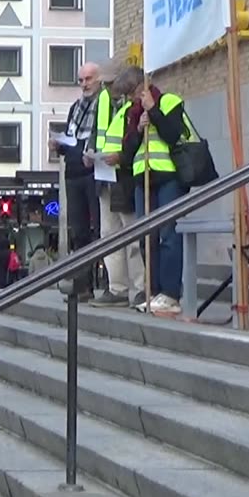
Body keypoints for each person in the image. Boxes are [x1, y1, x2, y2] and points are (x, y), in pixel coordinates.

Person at [114, 66, 190, 316]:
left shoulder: (169, 102)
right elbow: (126, 154)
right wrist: (137, 129)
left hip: (168, 177)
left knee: (168, 236)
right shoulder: (132, 114)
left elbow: (173, 134)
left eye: (133, 93)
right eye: (128, 96)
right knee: (147, 238)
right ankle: (154, 291)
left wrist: (154, 111)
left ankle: (170, 293)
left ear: (143, 86)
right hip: (142, 178)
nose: (131, 99)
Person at [49, 61, 112, 298]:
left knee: (102, 229)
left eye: (88, 79)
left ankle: (108, 283)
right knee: (79, 231)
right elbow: (72, 139)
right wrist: (58, 145)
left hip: (95, 171)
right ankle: (83, 284)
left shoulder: (104, 103)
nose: (84, 84)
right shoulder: (76, 107)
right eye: (81, 80)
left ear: (99, 79)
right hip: (73, 173)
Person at [92, 67, 147, 308]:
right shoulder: (107, 104)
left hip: (124, 176)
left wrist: (120, 157)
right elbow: (101, 134)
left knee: (132, 235)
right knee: (110, 235)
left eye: (109, 83)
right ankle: (118, 288)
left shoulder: (131, 108)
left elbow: (131, 142)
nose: (107, 88)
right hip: (106, 176)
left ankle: (139, 288)